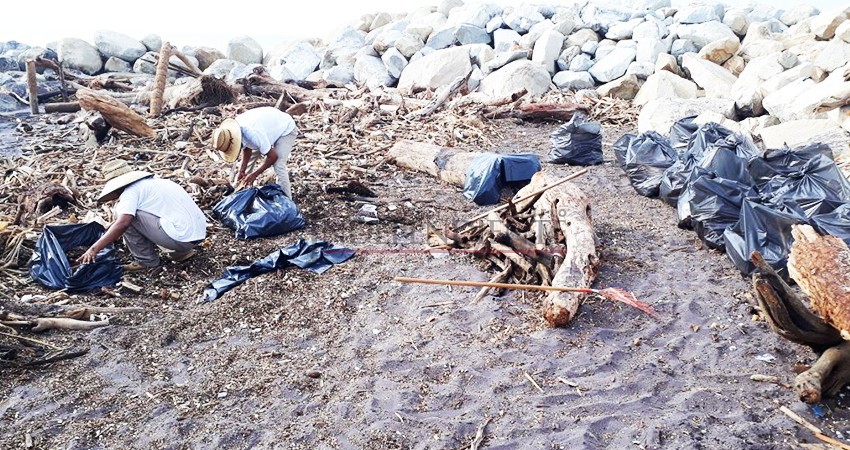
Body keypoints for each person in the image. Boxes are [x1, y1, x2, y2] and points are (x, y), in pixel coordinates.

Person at [78, 160, 208, 271]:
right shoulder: (157, 183)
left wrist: (94, 249)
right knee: (136, 217)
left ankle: (146, 261)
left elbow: (123, 223)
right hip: (198, 234)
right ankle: (180, 253)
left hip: (181, 239)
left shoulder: (131, 192)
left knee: (128, 218)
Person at [212, 106, 298, 198]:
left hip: (285, 129)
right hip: (267, 128)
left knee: (278, 165)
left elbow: (273, 156)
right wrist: (242, 170)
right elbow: (247, 147)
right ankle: (240, 186)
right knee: (249, 161)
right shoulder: (235, 131)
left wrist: (255, 174)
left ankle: (287, 202)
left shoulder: (254, 134)